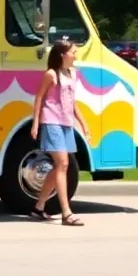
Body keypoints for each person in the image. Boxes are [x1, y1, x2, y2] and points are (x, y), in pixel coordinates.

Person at [28, 40, 90, 226]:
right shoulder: (51, 74)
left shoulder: (72, 74)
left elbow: (72, 102)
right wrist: (36, 123)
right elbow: (39, 97)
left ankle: (38, 207)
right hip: (51, 121)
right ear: (63, 55)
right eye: (73, 52)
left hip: (66, 123)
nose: (76, 55)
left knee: (59, 167)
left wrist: (84, 124)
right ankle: (66, 212)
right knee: (63, 163)